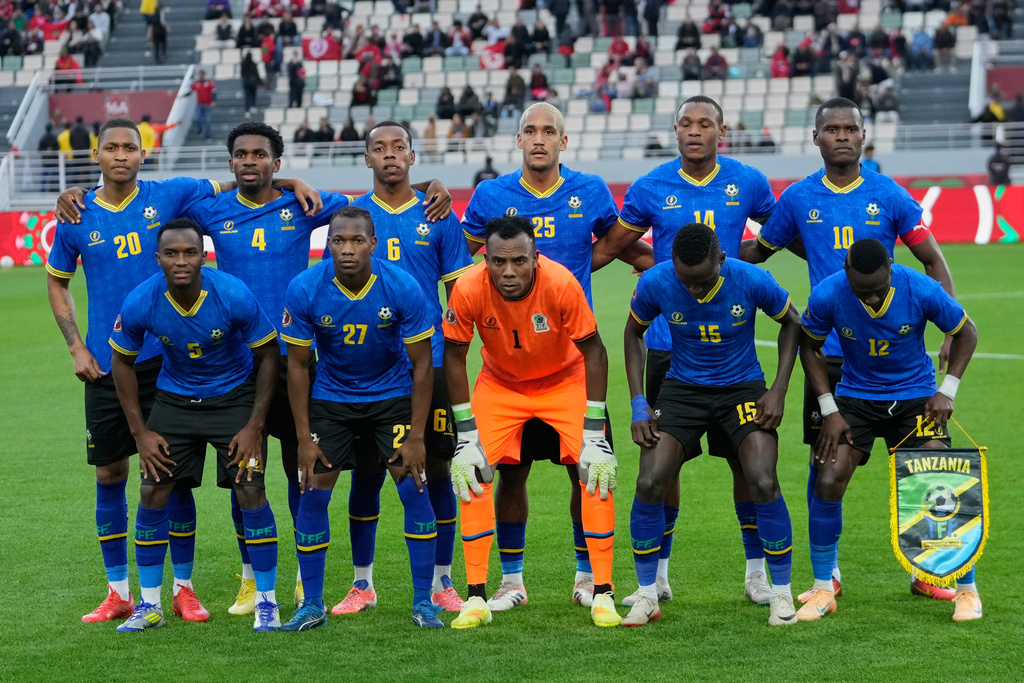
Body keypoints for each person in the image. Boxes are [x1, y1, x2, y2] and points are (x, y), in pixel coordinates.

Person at [181, 121, 452, 613]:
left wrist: (433, 184)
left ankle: (312, 587)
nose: (250, 162)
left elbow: (364, 202)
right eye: (240, 155)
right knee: (246, 470)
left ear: (276, 163)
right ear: (229, 162)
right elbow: (157, 210)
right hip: (239, 361)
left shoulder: (307, 207)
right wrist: (82, 193)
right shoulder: (208, 209)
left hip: (305, 363)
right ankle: (251, 578)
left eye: (260, 155)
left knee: (300, 468)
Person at [741, 97, 958, 603]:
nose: (841, 136)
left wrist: (949, 325)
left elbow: (932, 260)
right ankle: (828, 576)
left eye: (850, 128)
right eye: (831, 129)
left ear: (864, 137)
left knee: (925, 466)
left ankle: (929, 569)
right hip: (830, 358)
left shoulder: (890, 195)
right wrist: (692, 258)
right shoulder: (797, 198)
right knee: (828, 471)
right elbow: (759, 252)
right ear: (815, 138)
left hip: (896, 362)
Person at [591, 96, 778, 608]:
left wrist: (745, 265)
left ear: (723, 131)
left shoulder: (749, 182)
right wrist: (653, 270)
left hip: (733, 355)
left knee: (747, 466)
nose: (695, 131)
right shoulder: (650, 186)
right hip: (667, 350)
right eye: (686, 124)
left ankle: (757, 574)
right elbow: (613, 244)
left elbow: (780, 230)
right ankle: (660, 575)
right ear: (674, 130)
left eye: (706, 124)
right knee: (662, 466)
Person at [461, 103, 643, 611]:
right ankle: (511, 580)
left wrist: (655, 270)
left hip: (570, 361)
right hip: (508, 366)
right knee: (509, 474)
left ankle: (587, 576)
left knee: (584, 470)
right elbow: (460, 254)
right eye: (530, 131)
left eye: (549, 131)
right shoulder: (491, 195)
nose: (539, 139)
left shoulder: (589, 190)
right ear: (517, 140)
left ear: (564, 142)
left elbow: (616, 242)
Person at [45, 119, 222, 626]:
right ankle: (118, 591)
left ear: (143, 155)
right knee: (110, 473)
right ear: (96, 155)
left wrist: (294, 183)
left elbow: (241, 184)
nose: (120, 155)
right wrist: (76, 346)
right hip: (104, 365)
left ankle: (183, 590)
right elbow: (58, 283)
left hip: (166, 365)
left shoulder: (169, 195)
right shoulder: (76, 214)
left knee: (174, 475)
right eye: (111, 148)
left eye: (130, 147)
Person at [442, 215, 621, 629]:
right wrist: (466, 435)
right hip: (501, 385)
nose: (509, 272)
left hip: (565, 381)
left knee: (596, 470)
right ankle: (478, 596)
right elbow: (453, 356)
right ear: (485, 260)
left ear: (535, 258)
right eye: (498, 262)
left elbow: (594, 352)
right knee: (471, 471)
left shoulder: (560, 283)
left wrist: (594, 431)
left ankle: (602, 592)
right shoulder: (468, 287)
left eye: (519, 261)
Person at [622, 223, 801, 627]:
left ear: (721, 260)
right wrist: (638, 403)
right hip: (683, 389)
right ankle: (649, 593)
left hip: (742, 388)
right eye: (687, 283)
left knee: (762, 479)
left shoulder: (753, 279)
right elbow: (633, 332)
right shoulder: (657, 281)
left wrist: (778, 390)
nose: (695, 292)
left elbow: (793, 322)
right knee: (650, 480)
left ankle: (781, 593)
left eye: (703, 282)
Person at [108, 218, 281, 632]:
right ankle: (148, 606)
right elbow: (121, 362)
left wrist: (255, 425)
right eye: (171, 253)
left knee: (250, 490)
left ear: (204, 256)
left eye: (189, 252)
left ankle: (267, 603)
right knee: (152, 490)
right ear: (158, 259)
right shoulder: (141, 300)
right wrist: (141, 433)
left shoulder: (232, 293)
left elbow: (269, 355)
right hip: (175, 400)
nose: (181, 261)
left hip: (233, 396)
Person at [798, 238, 980, 622]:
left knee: (941, 478)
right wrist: (829, 408)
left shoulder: (919, 287)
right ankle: (822, 587)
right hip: (855, 397)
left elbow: (967, 332)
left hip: (915, 397)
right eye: (862, 290)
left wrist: (947, 390)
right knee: (828, 475)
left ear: (891, 272)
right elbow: (809, 346)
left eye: (879, 289)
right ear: (846, 273)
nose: (871, 297)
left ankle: (966, 590)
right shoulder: (829, 292)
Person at [279, 206, 443, 631]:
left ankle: (424, 602)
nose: (347, 249)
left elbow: (422, 366)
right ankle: (311, 604)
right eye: (338, 241)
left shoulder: (401, 286)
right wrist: (303, 437)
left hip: (391, 398)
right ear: (327, 243)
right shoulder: (306, 288)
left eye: (356, 241)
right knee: (313, 494)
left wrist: (418, 436)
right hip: (331, 401)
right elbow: (297, 366)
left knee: (414, 491)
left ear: (373, 243)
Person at [335, 122, 473, 616]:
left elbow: (458, 294)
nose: (389, 155)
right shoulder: (352, 215)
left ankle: (441, 582)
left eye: (399, 148)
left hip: (427, 365)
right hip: (363, 368)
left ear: (414, 156)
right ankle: (362, 584)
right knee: (367, 474)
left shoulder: (438, 214)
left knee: (435, 469)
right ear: (366, 158)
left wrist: (454, 358)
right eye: (379, 148)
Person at [190, 69, 215, 140]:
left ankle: (208, 135)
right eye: (200, 75)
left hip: (207, 105)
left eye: (202, 75)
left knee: (208, 120)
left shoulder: (209, 83)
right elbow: (190, 91)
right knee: (196, 118)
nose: (201, 76)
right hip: (199, 104)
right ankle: (200, 128)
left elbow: (213, 92)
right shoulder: (197, 83)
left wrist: (213, 101)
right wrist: (183, 95)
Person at [39, 122, 60, 191]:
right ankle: (55, 189)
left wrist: (46, 150)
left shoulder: (43, 137)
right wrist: (52, 149)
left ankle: (42, 190)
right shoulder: (54, 137)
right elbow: (58, 147)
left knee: (44, 175)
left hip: (45, 159)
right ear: (51, 128)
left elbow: (39, 148)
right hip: (53, 159)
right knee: (55, 175)